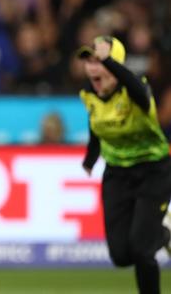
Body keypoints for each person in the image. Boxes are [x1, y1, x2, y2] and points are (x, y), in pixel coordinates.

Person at [77, 35, 171, 294]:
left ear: (116, 65)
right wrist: (90, 158)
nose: (92, 68)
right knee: (120, 255)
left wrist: (112, 63)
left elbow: (136, 88)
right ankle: (163, 234)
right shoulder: (90, 95)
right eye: (89, 61)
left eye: (99, 61)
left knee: (142, 250)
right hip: (117, 175)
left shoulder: (137, 92)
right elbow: (97, 126)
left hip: (153, 171)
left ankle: (158, 235)